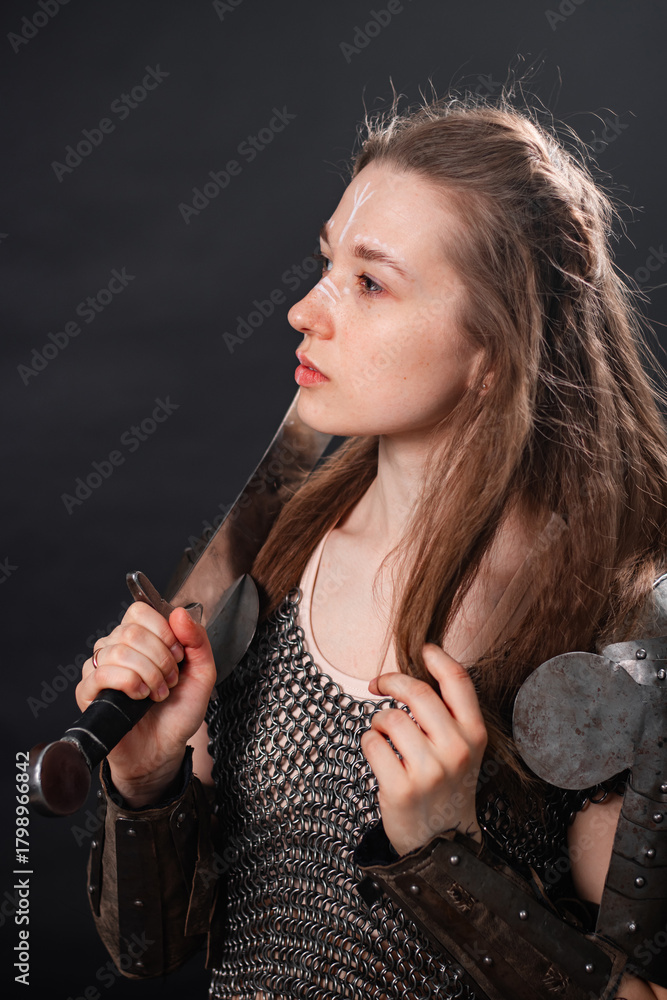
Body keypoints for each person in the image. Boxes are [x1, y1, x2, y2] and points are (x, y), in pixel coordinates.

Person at [75, 90, 667, 999]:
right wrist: (145, 782)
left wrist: (448, 859)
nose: (303, 311)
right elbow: (150, 951)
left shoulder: (614, 624)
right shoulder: (272, 553)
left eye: (370, 283)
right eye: (327, 264)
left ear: (495, 348)